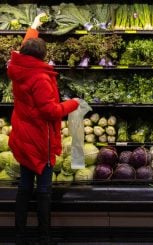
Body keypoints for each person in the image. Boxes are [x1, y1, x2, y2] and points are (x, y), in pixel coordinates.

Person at [7, 14, 80, 245]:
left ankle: (19, 234)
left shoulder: (17, 67)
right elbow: (50, 111)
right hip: (40, 139)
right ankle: (44, 235)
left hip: (22, 134)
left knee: (24, 186)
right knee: (44, 188)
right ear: (42, 56)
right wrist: (73, 103)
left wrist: (34, 26)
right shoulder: (39, 77)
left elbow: (25, 46)